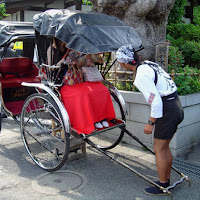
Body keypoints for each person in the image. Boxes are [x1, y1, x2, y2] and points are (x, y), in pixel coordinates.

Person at [116, 45, 184, 195]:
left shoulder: (141, 76)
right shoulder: (149, 64)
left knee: (159, 149)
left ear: (123, 62)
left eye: (119, 62)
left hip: (167, 110)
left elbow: (156, 101)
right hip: (176, 105)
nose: (119, 64)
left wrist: (150, 122)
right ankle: (165, 180)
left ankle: (162, 184)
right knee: (164, 147)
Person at [47, 37, 115, 134]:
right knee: (82, 94)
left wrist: (81, 60)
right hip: (61, 82)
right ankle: (88, 121)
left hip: (75, 79)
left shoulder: (71, 48)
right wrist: (62, 63)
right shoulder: (51, 49)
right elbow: (50, 68)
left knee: (100, 89)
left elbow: (78, 65)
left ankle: (100, 118)